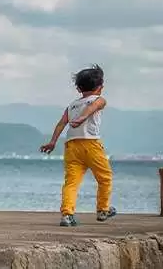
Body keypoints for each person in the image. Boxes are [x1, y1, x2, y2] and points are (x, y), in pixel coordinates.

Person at [39, 64, 117, 227]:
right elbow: (93, 107)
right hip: (91, 144)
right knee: (105, 178)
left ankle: (67, 215)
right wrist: (83, 118)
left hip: (71, 146)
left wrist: (53, 142)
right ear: (100, 87)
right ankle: (103, 209)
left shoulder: (72, 105)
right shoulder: (99, 99)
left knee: (71, 182)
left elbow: (61, 123)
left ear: (78, 88)